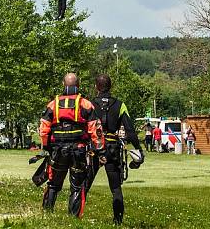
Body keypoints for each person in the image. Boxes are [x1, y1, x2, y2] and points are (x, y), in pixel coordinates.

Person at [39, 72, 105, 218]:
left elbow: (44, 129)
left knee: (53, 184)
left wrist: (46, 147)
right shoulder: (85, 104)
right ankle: (73, 219)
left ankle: (46, 215)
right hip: (78, 151)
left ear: (64, 85)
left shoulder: (53, 104)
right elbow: (96, 129)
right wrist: (100, 149)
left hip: (58, 150)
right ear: (78, 85)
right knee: (77, 186)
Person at [85, 74, 144, 225]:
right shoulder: (120, 105)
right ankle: (118, 221)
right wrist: (138, 149)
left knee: (84, 184)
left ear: (96, 87)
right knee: (116, 188)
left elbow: (84, 127)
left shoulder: (89, 104)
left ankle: (75, 215)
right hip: (112, 148)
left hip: (95, 148)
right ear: (111, 87)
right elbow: (130, 130)